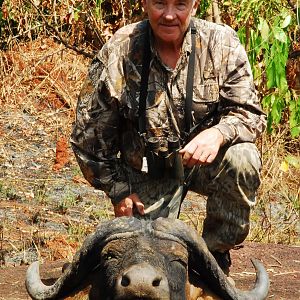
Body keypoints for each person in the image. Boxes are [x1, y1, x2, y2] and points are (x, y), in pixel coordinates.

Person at [70, 0, 266, 275]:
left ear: (195, 6)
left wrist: (218, 134)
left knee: (243, 157)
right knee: (147, 258)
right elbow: (86, 138)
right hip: (147, 173)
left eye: (181, 4)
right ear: (145, 4)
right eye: (160, 3)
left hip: (202, 165)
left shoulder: (222, 43)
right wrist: (119, 191)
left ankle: (213, 255)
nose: (170, 15)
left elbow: (250, 114)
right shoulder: (120, 49)